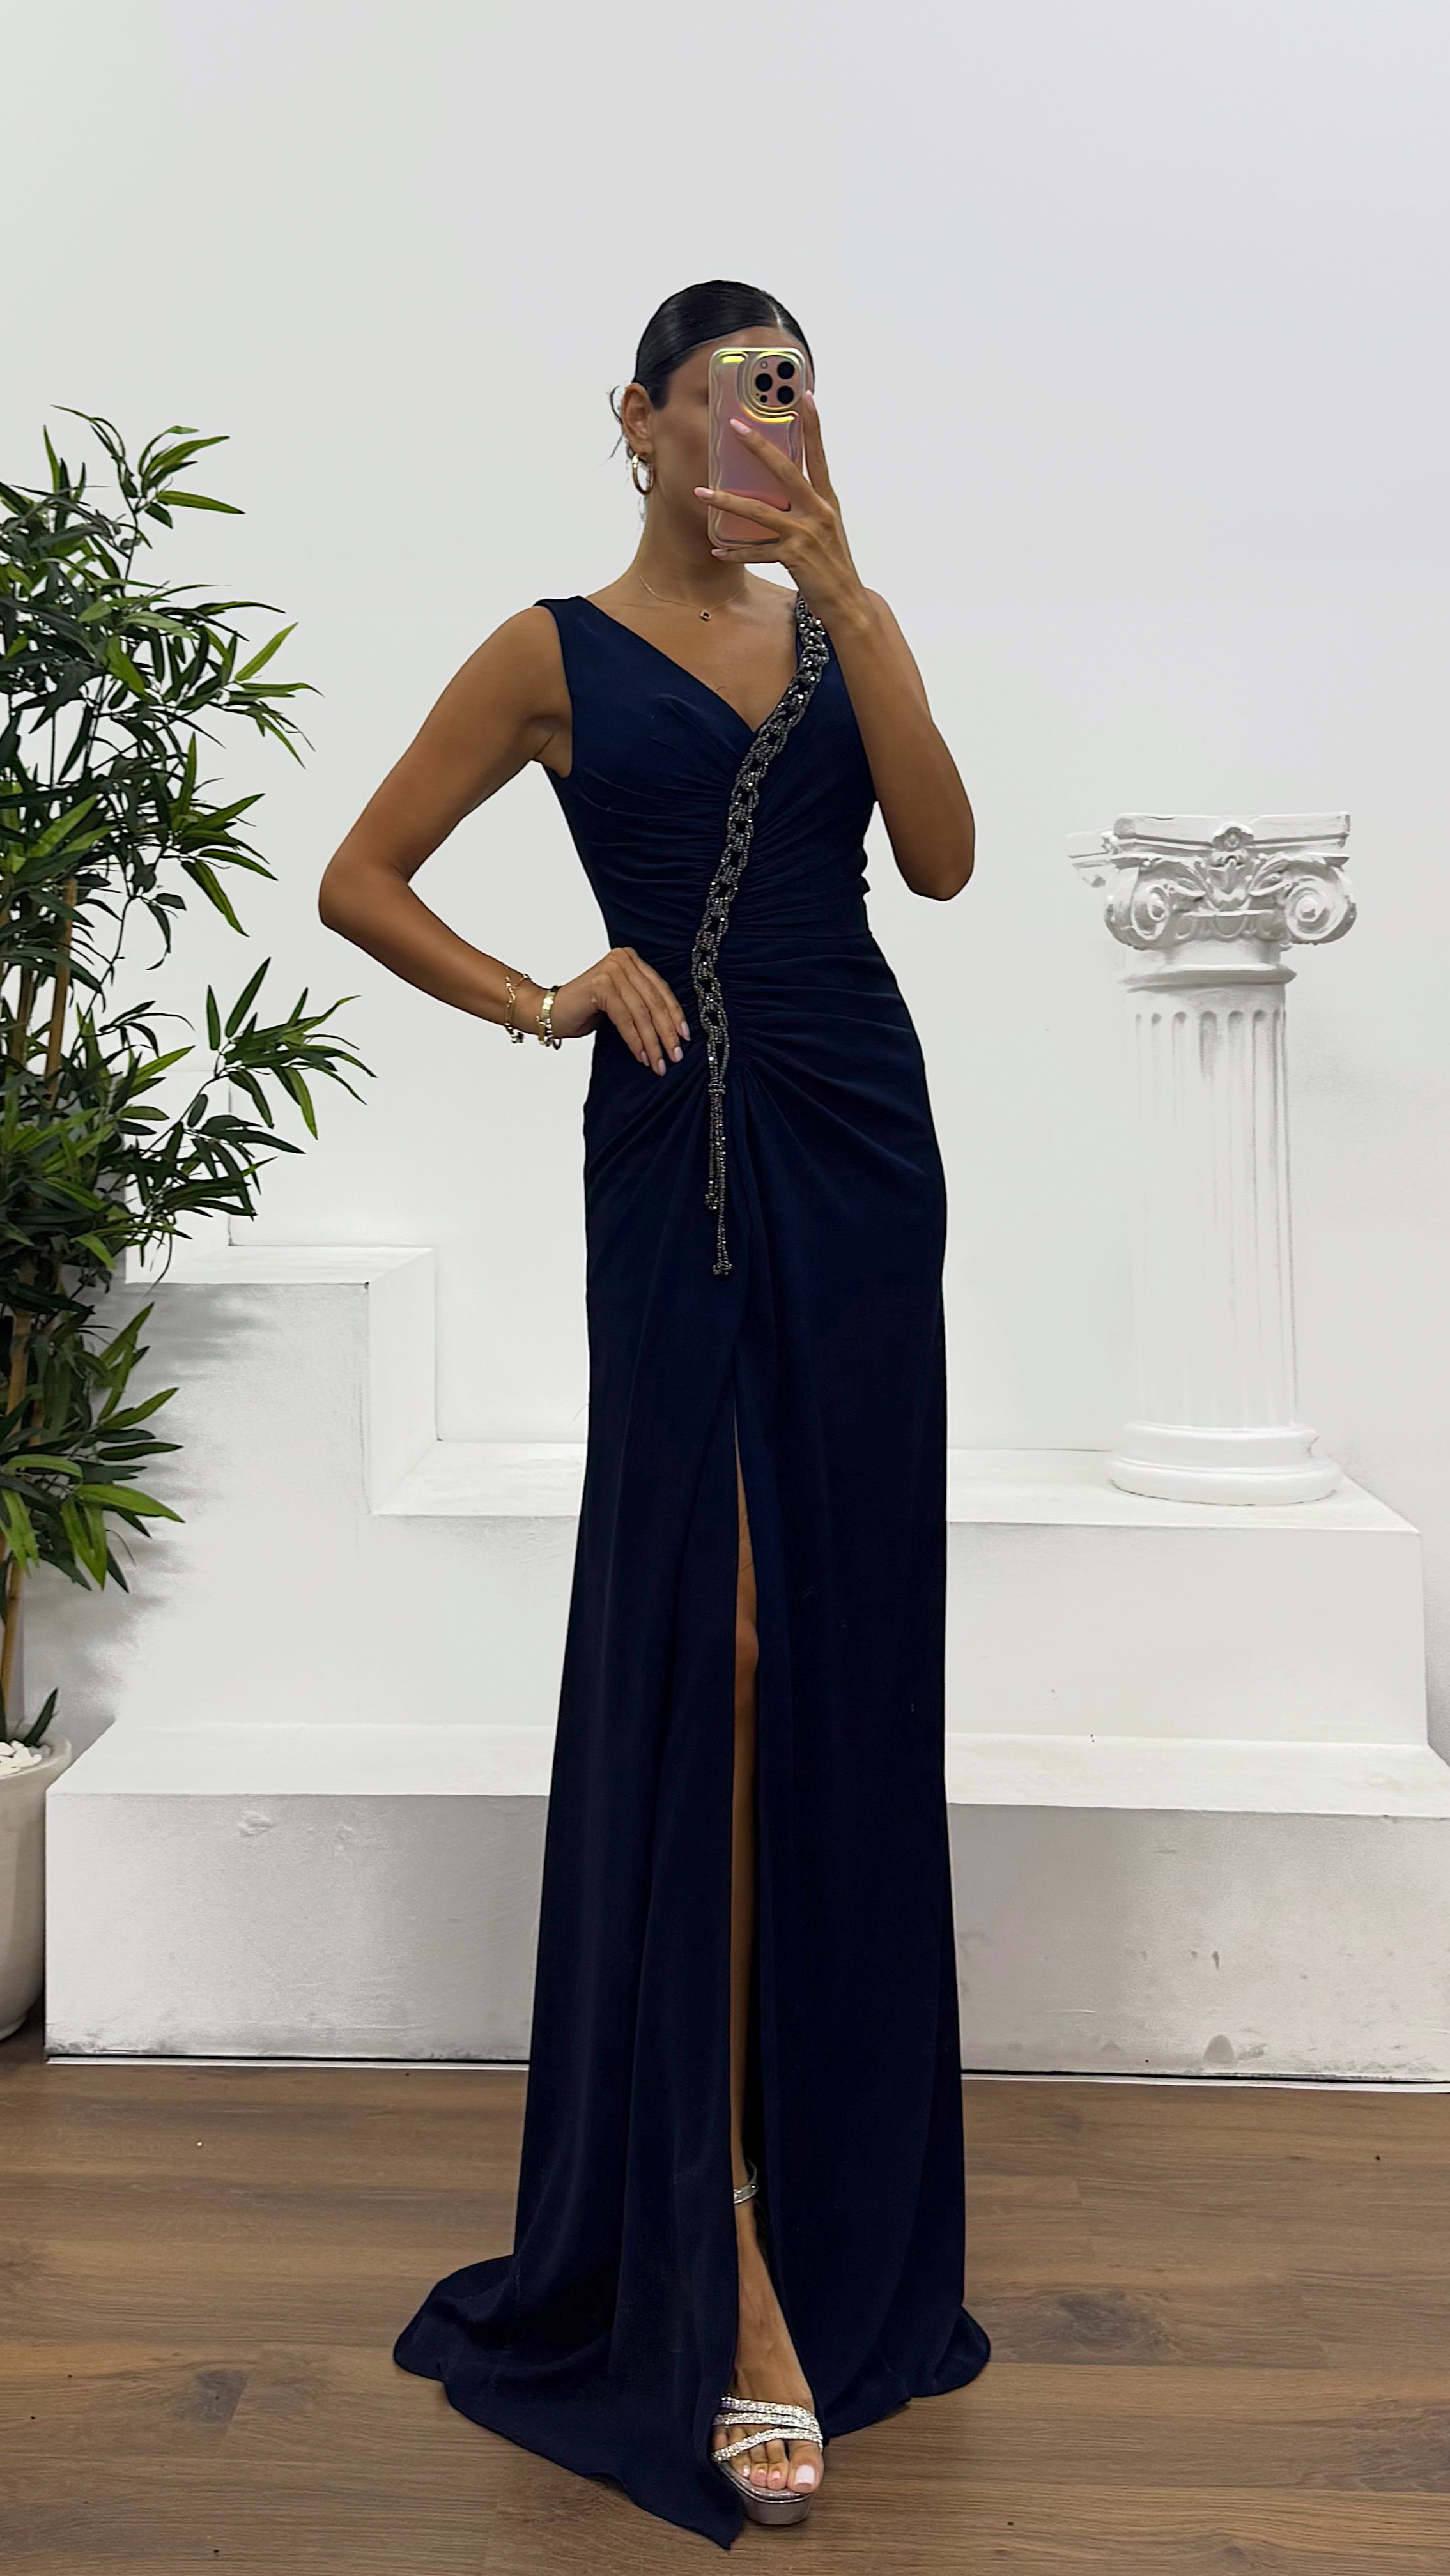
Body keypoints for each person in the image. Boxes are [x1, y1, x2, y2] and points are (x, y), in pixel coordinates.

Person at [318, 278, 991, 2549]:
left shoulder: (834, 631)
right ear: (637, 417)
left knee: (840, 1650)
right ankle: (714, 2247)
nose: (762, 429)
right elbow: (358, 878)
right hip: (672, 1143)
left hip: (857, 1134)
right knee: (717, 1643)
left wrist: (860, 595)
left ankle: (829, 2203)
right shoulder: (549, 650)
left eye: (794, 393)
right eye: (727, 393)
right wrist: (547, 992)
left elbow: (942, 862)